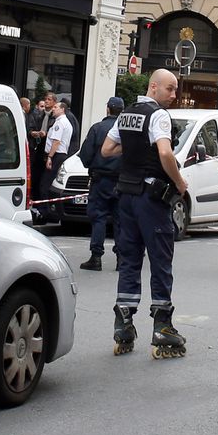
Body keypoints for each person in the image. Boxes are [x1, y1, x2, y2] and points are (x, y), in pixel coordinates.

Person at [100, 69, 193, 358]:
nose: (174, 95)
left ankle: (124, 325)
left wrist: (133, 149)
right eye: (171, 89)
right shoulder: (159, 115)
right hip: (150, 199)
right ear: (154, 87)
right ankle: (162, 327)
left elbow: (106, 149)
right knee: (160, 260)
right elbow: (165, 154)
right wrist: (178, 181)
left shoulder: (127, 113)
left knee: (129, 259)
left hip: (125, 197)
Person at [76, 96, 124, 272]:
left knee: (98, 218)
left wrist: (94, 165)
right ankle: (121, 258)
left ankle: (96, 257)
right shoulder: (125, 129)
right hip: (121, 180)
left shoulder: (97, 128)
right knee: (120, 220)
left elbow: (86, 155)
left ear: (108, 109)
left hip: (101, 179)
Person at [43, 95, 74, 187]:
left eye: (56, 107)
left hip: (56, 155)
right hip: (59, 155)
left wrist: (49, 157)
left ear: (62, 109)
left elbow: (56, 141)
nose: (53, 109)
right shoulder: (64, 122)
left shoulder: (60, 122)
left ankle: (46, 201)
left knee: (46, 183)